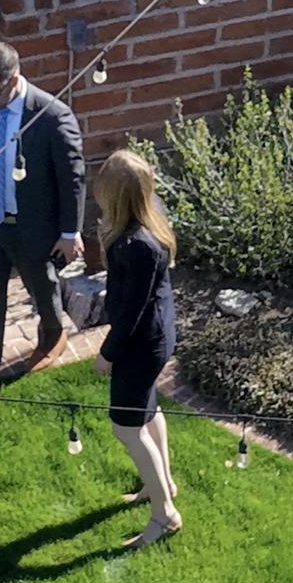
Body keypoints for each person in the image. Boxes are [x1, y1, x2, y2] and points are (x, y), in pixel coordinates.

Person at [0, 40, 85, 425]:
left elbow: (72, 179)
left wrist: (69, 232)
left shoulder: (52, 116)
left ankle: (53, 333)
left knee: (43, 290)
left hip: (33, 228)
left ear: (13, 80)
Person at [92, 149, 181, 548]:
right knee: (148, 412)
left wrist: (108, 353)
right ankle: (161, 485)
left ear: (115, 196)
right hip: (156, 334)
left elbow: (132, 311)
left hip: (142, 343)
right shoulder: (150, 215)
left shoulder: (136, 244)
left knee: (126, 427)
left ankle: (165, 515)